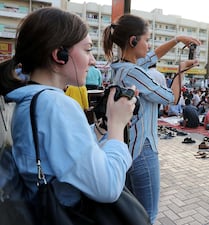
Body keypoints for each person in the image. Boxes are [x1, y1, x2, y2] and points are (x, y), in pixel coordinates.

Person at [0, 6, 136, 213]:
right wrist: (117, 126)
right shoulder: (55, 105)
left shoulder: (32, 99)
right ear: (60, 55)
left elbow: (58, 152)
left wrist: (103, 126)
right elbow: (108, 186)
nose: (92, 60)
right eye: (88, 49)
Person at [102, 14, 200, 224]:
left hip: (128, 147)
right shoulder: (135, 72)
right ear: (133, 41)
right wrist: (180, 71)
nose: (148, 45)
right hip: (143, 149)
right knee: (149, 215)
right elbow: (172, 98)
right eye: (146, 39)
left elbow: (154, 56)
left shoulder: (120, 67)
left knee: (132, 212)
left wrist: (176, 40)